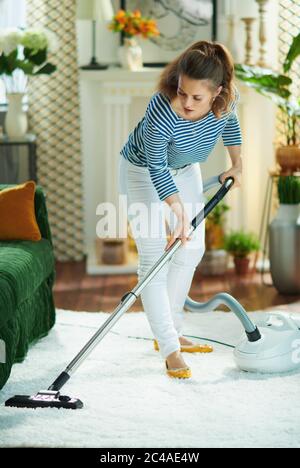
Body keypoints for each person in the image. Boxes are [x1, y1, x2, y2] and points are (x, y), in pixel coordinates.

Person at [118, 41, 242, 379]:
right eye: (182, 91)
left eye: (196, 97)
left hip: (186, 169)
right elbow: (156, 166)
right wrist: (176, 213)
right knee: (153, 258)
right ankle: (170, 348)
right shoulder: (162, 108)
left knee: (192, 247)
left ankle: (171, 330)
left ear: (217, 92)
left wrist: (237, 164)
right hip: (143, 170)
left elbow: (230, 126)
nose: (186, 102)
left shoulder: (227, 100)